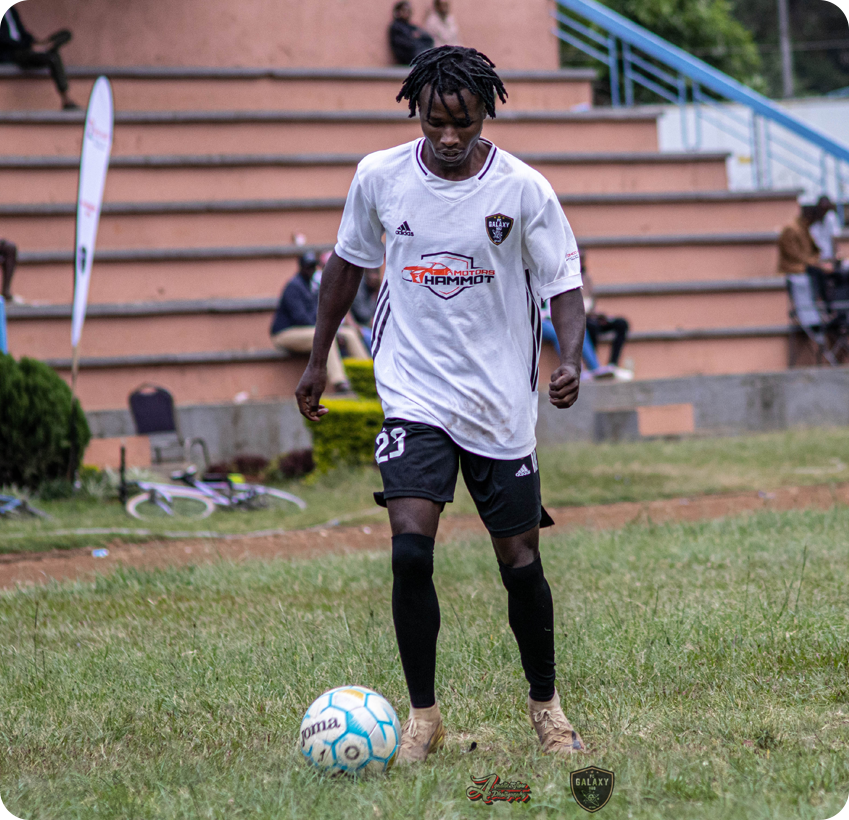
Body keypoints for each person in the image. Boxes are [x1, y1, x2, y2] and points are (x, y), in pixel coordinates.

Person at [296, 46, 587, 761]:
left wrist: (572, 358)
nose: (449, 137)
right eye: (435, 123)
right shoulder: (379, 176)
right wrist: (316, 359)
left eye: (463, 123)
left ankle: (546, 709)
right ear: (416, 113)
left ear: (486, 114)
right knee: (408, 552)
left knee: (519, 561)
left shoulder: (523, 189)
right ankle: (422, 720)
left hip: (498, 401)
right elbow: (346, 265)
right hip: (413, 389)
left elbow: (563, 284)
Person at [271, 252, 370, 392]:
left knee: (349, 334)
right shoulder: (293, 287)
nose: (310, 270)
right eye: (307, 267)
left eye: (313, 266)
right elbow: (302, 319)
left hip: (310, 330)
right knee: (324, 336)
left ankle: (369, 374)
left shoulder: (313, 285)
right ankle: (339, 381)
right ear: (301, 268)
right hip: (285, 334)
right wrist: (330, 331)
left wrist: (334, 330)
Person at [0, 3, 78, 110]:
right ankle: (66, 99)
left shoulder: (9, 9)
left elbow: (22, 32)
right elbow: (4, 40)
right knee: (51, 57)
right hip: (12, 53)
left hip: (26, 48)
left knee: (64, 36)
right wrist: (28, 46)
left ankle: (47, 47)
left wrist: (35, 43)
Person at [778, 204, 834, 275]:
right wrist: (814, 263)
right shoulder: (791, 229)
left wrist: (819, 261)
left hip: (807, 266)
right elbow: (795, 255)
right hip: (794, 269)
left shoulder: (805, 229)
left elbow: (815, 250)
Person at [389, 1, 434, 66]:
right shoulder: (396, 27)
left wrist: (416, 37)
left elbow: (429, 39)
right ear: (398, 12)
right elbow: (406, 46)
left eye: (409, 11)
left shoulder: (412, 27)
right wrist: (415, 38)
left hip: (420, 56)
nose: (407, 13)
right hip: (408, 60)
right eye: (404, 10)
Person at [350, 267, 383, 350]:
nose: (374, 276)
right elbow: (363, 314)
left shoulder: (375, 288)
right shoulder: (359, 287)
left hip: (370, 326)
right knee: (373, 338)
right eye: (371, 273)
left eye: (376, 273)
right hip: (359, 325)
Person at [809, 196, 843, 267]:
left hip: (828, 257)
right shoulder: (815, 222)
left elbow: (834, 237)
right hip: (818, 258)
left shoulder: (830, 217)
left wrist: (836, 254)